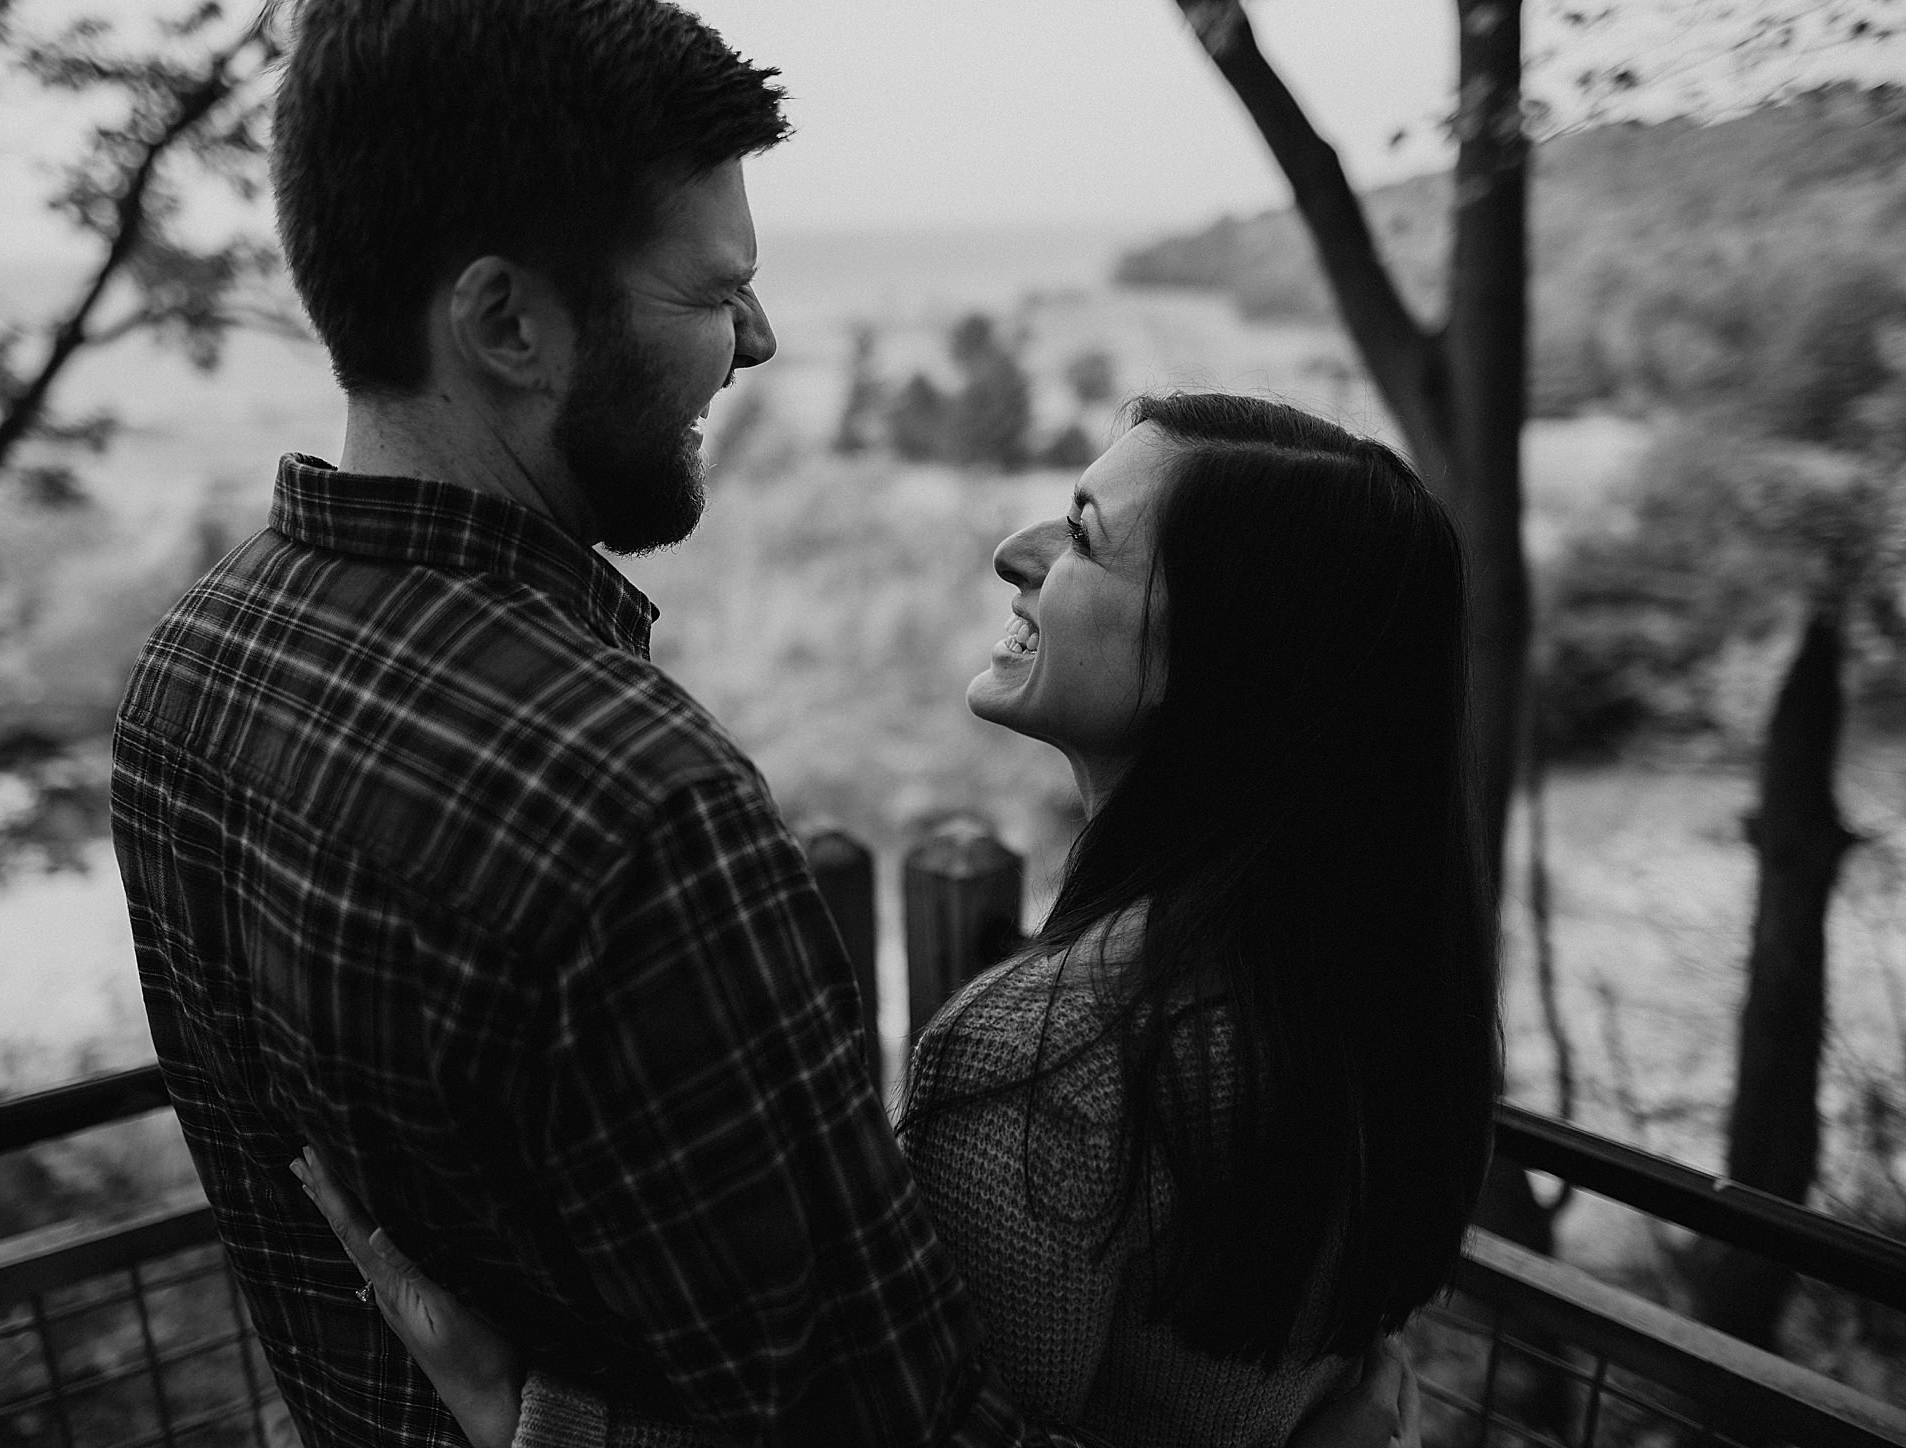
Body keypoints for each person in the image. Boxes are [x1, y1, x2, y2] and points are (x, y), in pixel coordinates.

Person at [113, 0, 1425, 1442]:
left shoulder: (185, 677)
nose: (759, 341)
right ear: (505, 322)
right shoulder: (640, 815)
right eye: (711, 290)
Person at [296, 394, 1499, 1447]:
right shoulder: (1374, 979)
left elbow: (915, 1428)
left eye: (1083, 536)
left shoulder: (1058, 1057)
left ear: (1231, 657)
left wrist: (520, 1404)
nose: (1011, 551)